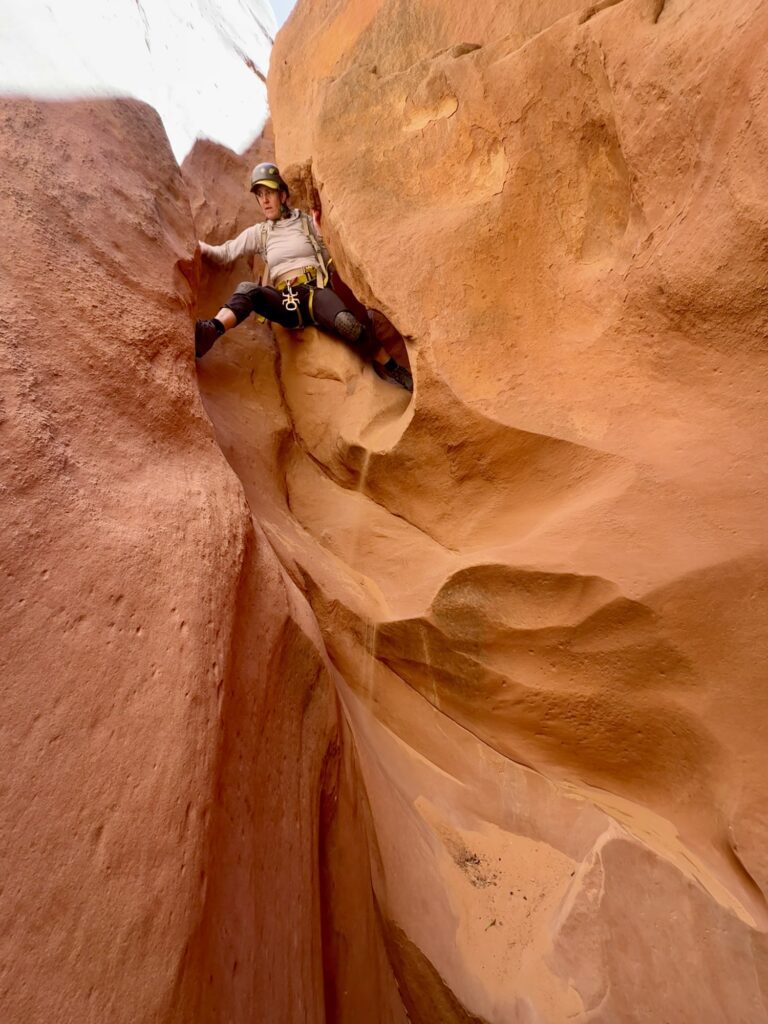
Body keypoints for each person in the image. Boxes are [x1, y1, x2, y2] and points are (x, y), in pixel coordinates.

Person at [194, 162, 413, 391]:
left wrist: (321, 233)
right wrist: (197, 246)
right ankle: (210, 331)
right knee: (248, 290)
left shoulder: (306, 222)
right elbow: (225, 253)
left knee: (347, 324)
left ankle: (393, 368)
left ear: (283, 194)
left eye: (269, 193)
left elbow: (331, 258)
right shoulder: (260, 233)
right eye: (260, 195)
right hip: (286, 300)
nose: (265, 200)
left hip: (315, 293)